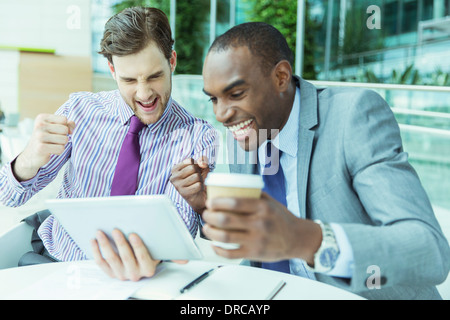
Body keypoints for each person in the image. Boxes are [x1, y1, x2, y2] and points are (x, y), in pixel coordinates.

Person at [197, 22, 450, 299]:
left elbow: (430, 251)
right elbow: (263, 245)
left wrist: (305, 239)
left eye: (235, 94)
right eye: (213, 99)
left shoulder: (352, 117)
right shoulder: (248, 137)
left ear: (281, 76)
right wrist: (207, 207)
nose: (221, 114)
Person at [0, 7, 216, 281]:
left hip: (147, 280)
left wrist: (201, 203)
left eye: (154, 76)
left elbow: (191, 233)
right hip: (60, 266)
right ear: (113, 70)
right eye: (129, 80)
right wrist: (28, 158)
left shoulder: (197, 137)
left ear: (171, 61)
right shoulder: (80, 111)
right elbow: (8, 196)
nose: (144, 93)